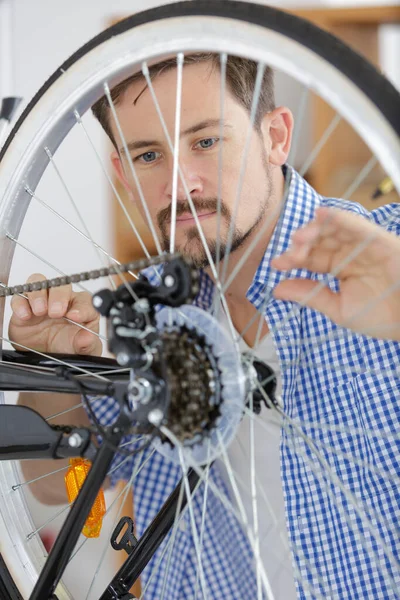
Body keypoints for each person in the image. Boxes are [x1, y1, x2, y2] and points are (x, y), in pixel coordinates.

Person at [11, 54, 400, 599]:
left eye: (206, 142)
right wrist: (58, 367)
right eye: (148, 155)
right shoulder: (145, 318)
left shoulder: (388, 254)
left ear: (275, 136)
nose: (180, 184)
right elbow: (52, 486)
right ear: (122, 174)